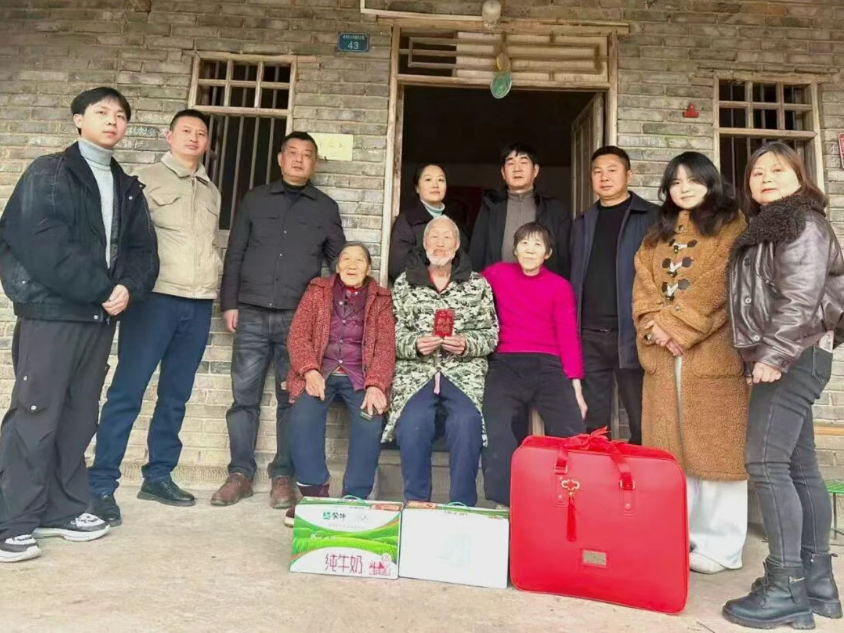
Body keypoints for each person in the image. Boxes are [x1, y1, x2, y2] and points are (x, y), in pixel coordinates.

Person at [0, 87, 159, 563]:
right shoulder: (48, 173)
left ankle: (63, 508)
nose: (112, 121)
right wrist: (102, 288)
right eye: (101, 112)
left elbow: (143, 250)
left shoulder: (126, 185)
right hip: (52, 313)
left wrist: (128, 288)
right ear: (78, 119)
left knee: (79, 415)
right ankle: (12, 519)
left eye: (120, 115)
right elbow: (43, 244)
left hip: (98, 316)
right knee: (36, 413)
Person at [723, 143, 843, 629]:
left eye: (777, 170)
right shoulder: (771, 225)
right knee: (798, 465)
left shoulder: (802, 223)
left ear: (799, 177)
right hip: (798, 354)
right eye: (757, 173)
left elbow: (800, 296)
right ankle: (817, 583)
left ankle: (785, 586)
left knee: (766, 464)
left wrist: (772, 355)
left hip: (790, 357)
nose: (766, 178)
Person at [86, 110, 221, 527]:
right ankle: (101, 485)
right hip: (154, 300)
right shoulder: (142, 180)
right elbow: (123, 241)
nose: (193, 138)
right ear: (169, 136)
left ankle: (159, 475)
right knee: (127, 392)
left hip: (198, 302)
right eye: (186, 131)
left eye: (201, 133)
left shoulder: (211, 190)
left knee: (176, 395)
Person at [212, 131, 346, 509]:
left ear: (314, 163)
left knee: (292, 399)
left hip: (297, 320)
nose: (299, 160)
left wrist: (329, 314)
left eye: (307, 155)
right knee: (244, 397)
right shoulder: (255, 199)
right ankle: (239, 474)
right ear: (280, 158)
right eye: (293, 153)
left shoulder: (325, 208)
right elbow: (235, 252)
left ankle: (283, 476)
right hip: (251, 312)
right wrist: (229, 303)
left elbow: (340, 264)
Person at [632, 151, 749, 576]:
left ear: (709, 182)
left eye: (692, 180)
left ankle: (721, 546)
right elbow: (643, 286)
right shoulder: (655, 236)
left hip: (713, 353)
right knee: (671, 449)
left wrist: (674, 327)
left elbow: (720, 283)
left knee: (715, 451)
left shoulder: (732, 225)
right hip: (665, 359)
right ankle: (676, 535)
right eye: (675, 181)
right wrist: (655, 328)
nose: (684, 188)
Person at [387, 216, 499, 507]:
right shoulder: (405, 283)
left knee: (467, 423)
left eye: (447, 237)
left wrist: (466, 344)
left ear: (457, 244)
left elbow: (490, 334)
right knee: (413, 423)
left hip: (462, 372)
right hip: (416, 373)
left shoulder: (477, 284)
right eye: (433, 237)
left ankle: (461, 503)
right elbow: (391, 333)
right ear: (424, 243)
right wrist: (414, 344)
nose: (440, 243)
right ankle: (417, 501)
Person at [283, 243, 395, 526]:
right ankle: (314, 496)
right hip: (321, 371)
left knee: (370, 419)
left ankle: (354, 498)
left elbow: (385, 347)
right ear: (337, 265)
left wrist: (376, 384)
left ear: (368, 269)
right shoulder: (318, 290)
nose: (352, 265)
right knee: (303, 416)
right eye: (346, 259)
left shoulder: (382, 299)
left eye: (359, 260)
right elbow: (298, 334)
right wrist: (309, 370)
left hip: (361, 375)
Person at [481, 222, 587, 508]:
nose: (530, 250)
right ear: (515, 249)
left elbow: (568, 336)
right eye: (524, 243)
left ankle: (571, 499)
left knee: (573, 430)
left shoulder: (559, 286)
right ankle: (504, 502)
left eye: (538, 244)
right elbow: (466, 290)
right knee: (497, 427)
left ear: (548, 253)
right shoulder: (496, 275)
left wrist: (576, 388)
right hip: (505, 362)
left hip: (548, 365)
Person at [570, 146, 658, 444]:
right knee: (594, 423)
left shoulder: (652, 218)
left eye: (612, 170)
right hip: (589, 333)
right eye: (597, 171)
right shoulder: (582, 222)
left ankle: (639, 471)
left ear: (628, 175)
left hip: (632, 332)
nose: (604, 177)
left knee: (642, 418)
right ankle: (599, 470)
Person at [470, 141, 571, 278]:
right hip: (497, 285)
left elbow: (565, 257)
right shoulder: (490, 206)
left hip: (541, 287)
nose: (517, 169)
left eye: (523, 162)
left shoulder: (554, 209)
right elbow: (477, 252)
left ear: (535, 170)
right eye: (511, 163)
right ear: (503, 172)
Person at [388, 164, 468, 282]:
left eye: (440, 180)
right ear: (417, 188)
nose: (435, 185)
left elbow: (465, 261)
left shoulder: (454, 223)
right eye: (428, 179)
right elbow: (397, 267)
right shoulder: (408, 220)